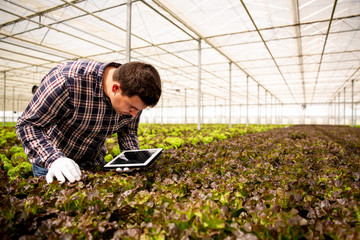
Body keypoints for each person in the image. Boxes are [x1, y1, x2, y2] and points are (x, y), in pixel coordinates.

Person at [16, 60, 162, 184]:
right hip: (53, 163)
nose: (134, 114)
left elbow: (127, 131)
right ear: (115, 88)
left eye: (138, 110)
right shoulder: (67, 81)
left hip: (93, 162)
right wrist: (53, 159)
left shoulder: (133, 93)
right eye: (132, 107)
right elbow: (28, 125)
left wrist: (132, 158)